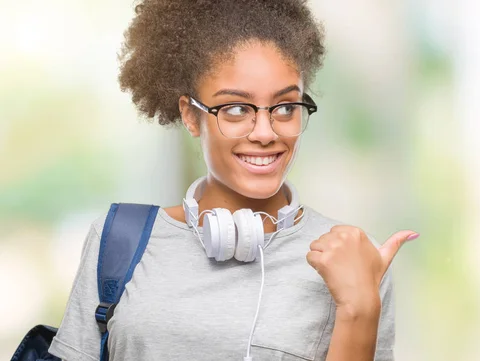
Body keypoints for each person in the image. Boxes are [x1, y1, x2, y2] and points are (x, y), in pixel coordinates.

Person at [48, 0, 419, 360]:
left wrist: (359, 309)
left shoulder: (354, 256)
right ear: (191, 117)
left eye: (286, 107)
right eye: (236, 109)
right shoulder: (118, 241)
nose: (264, 132)